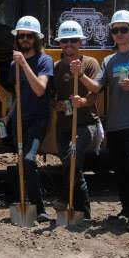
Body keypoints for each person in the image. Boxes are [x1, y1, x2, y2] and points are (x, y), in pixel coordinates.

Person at [77, 10, 129, 233]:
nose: (120, 34)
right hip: (114, 123)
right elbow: (96, 87)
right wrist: (80, 75)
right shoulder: (109, 60)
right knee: (121, 169)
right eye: (115, 30)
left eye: (124, 30)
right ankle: (125, 209)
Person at [4, 15, 55, 222]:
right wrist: (8, 117)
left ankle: (40, 208)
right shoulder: (12, 66)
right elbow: (18, 94)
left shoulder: (45, 61)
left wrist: (24, 64)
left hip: (38, 119)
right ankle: (26, 203)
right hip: (19, 120)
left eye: (29, 36)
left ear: (36, 39)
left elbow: (40, 90)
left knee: (28, 159)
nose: (24, 39)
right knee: (22, 163)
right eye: (21, 36)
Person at [53, 20, 102, 221]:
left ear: (80, 43)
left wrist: (80, 75)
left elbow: (96, 90)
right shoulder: (56, 67)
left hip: (87, 124)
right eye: (65, 41)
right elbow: (53, 97)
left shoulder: (90, 63)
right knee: (73, 167)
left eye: (73, 41)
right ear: (60, 44)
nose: (69, 45)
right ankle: (84, 213)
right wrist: (60, 105)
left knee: (72, 158)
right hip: (64, 125)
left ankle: (64, 197)